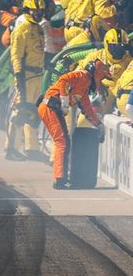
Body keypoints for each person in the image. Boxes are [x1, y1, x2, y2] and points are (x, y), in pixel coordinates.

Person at [38, 60, 106, 189]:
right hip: (50, 107)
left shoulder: (84, 89)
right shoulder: (82, 75)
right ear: (95, 75)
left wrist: (98, 124)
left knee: (64, 142)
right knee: (62, 142)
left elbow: (87, 109)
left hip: (53, 109)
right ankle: (59, 180)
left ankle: (61, 178)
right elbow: (63, 80)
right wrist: (64, 100)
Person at [5, 0, 46, 160]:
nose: (38, 13)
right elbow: (16, 55)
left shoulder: (38, 28)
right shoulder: (22, 29)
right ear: (27, 10)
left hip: (38, 75)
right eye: (35, 11)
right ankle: (11, 149)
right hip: (26, 75)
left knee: (34, 112)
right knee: (20, 111)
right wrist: (18, 75)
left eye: (40, 11)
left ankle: (32, 148)